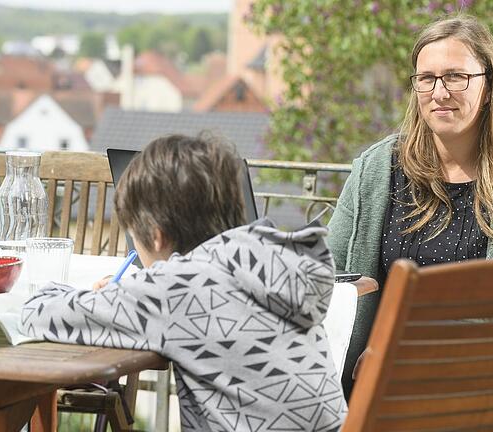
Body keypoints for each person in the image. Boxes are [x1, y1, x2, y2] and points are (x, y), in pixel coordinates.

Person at [20, 133, 346, 431]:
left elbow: (38, 313)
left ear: (157, 237)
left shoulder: (175, 287)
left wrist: (103, 295)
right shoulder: (269, 260)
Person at [327, 14, 493, 399]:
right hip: (368, 383)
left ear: (488, 87)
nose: (439, 92)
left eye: (456, 76)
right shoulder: (377, 169)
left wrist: (408, 356)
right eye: (427, 78)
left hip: (474, 388)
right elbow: (331, 277)